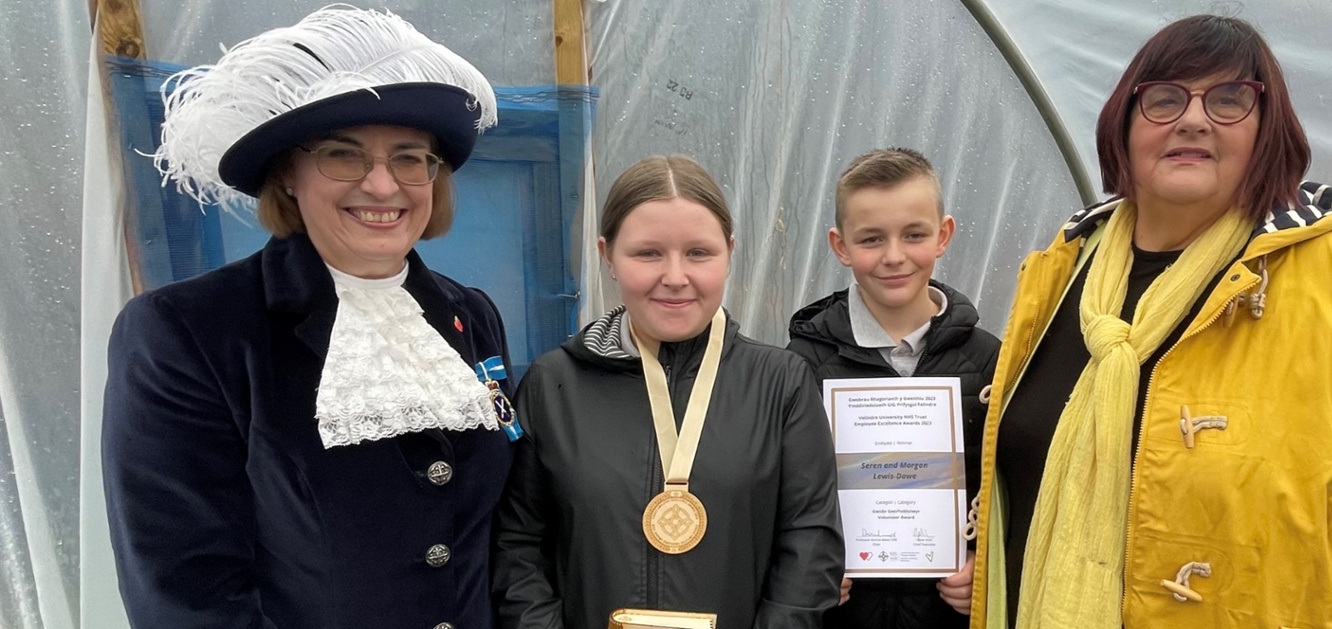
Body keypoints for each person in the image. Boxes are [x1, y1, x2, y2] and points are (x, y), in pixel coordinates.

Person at [967, 14, 1332, 629]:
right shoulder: (1063, 273)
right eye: (1164, 98)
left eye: (1229, 100)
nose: (1192, 118)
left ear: (1266, 131)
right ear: (1125, 124)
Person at [102, 7, 516, 628]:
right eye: (342, 155)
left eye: (409, 158)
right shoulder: (187, 332)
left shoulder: (471, 315)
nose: (383, 185)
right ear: (288, 176)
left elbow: (496, 536)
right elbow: (186, 592)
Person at [493, 155, 844, 629]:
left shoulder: (781, 382)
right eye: (648, 253)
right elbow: (518, 545)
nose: (675, 277)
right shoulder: (554, 384)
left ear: (729, 252)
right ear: (607, 255)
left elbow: (810, 543)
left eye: (699, 253)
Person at [785, 148, 999, 628]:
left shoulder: (990, 362)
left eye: (914, 235)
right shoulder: (800, 366)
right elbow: (783, 495)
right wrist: (810, 568)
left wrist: (982, 566)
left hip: (945, 616)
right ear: (840, 246)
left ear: (943, 235)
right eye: (871, 239)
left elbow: (1009, 491)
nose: (894, 256)